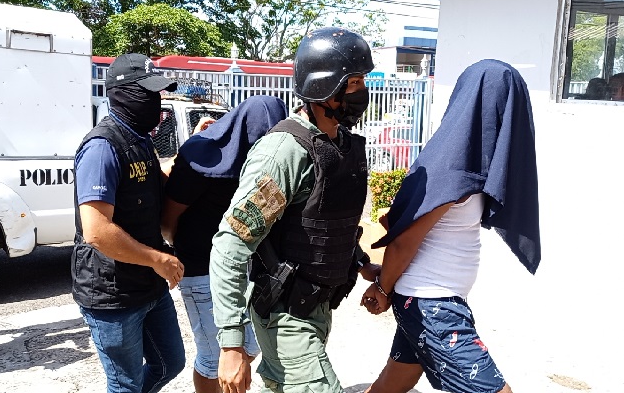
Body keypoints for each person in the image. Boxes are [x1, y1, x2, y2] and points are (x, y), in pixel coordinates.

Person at [209, 27, 380, 393]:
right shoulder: (286, 152)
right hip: (287, 312)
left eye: (362, 81)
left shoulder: (340, 145)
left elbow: (328, 219)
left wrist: (361, 262)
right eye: (352, 82)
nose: (362, 92)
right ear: (323, 88)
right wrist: (231, 344)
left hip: (318, 305)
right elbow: (231, 245)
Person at [361, 59, 541, 393]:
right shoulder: (452, 166)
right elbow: (404, 242)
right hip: (433, 305)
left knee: (393, 382)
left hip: (435, 299)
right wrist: (383, 289)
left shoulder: (471, 161)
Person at [71, 53, 186, 393]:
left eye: (159, 94)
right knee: (125, 384)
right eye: (148, 94)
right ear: (122, 94)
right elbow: (96, 231)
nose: (156, 102)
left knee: (170, 362)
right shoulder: (102, 147)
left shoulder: (141, 140)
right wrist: (159, 260)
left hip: (146, 284)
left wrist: (194, 148)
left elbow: (151, 185)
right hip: (112, 293)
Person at [160, 95, 289, 393]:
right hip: (201, 269)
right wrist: (179, 252)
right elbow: (168, 220)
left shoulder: (268, 166)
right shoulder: (200, 155)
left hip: (247, 270)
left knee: (249, 346)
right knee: (215, 356)